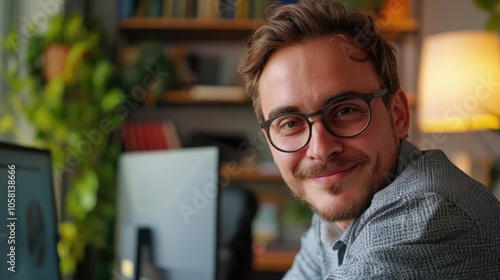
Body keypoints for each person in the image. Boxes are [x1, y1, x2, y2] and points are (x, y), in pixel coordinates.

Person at [238, 1, 500, 279]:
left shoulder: (429, 218)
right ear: (269, 141)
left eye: (345, 110)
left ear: (397, 114)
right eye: (290, 124)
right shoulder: (338, 205)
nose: (321, 149)